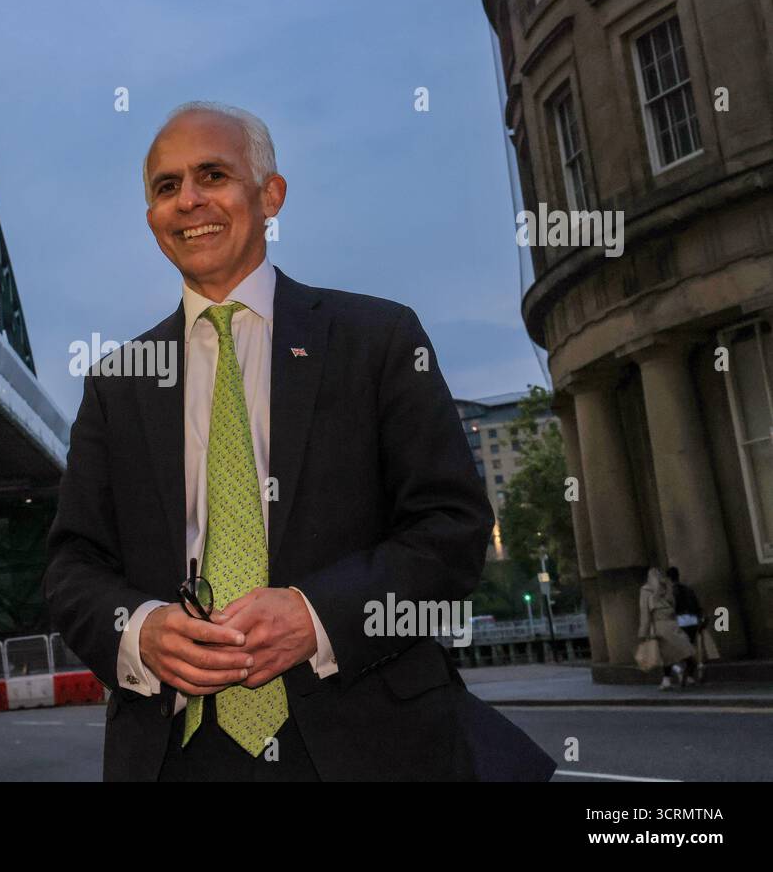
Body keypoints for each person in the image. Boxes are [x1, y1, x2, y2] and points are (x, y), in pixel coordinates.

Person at [43, 101, 556, 782]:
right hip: (177, 756)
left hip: (371, 742)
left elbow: (451, 529)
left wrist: (316, 617)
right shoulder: (117, 383)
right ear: (152, 220)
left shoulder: (379, 340)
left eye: (213, 175)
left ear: (270, 195)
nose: (189, 200)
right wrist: (140, 630)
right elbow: (72, 565)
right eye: (167, 187)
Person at [639, 568, 695, 690]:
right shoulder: (667, 588)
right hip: (672, 624)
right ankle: (677, 676)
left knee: (666, 656)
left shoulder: (645, 591)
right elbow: (673, 605)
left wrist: (643, 633)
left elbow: (645, 614)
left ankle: (671, 677)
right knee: (683, 651)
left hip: (659, 626)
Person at [666, 566, 704, 684]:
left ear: (668, 578)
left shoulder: (670, 592)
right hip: (692, 621)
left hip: (679, 622)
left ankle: (683, 669)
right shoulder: (688, 589)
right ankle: (690, 676)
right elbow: (697, 606)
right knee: (689, 647)